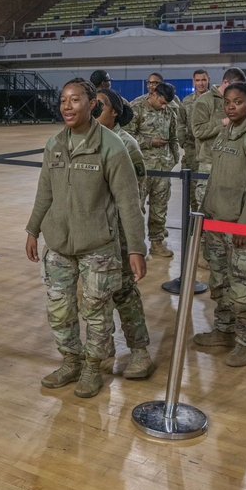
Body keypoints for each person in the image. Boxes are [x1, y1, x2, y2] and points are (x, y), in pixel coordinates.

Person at [26, 78, 147, 398]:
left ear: (92, 104)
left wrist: (136, 247)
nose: (67, 106)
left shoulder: (112, 145)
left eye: (75, 100)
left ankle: (93, 367)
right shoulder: (54, 143)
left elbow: (129, 201)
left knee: (96, 311)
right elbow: (45, 191)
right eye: (63, 100)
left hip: (98, 245)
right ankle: (70, 361)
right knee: (59, 309)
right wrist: (32, 229)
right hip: (59, 243)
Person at [193, 82, 246, 367]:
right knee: (220, 282)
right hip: (216, 223)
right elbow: (215, 177)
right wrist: (205, 213)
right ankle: (224, 331)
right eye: (228, 102)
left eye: (238, 102)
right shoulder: (225, 132)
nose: (231, 106)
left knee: (244, 290)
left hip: (240, 227)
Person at [94, 87, 156, 379]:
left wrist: (133, 242)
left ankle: (140, 351)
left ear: (115, 111)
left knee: (124, 291)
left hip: (117, 230)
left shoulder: (125, 143)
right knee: (94, 293)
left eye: (101, 106)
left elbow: (135, 196)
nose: (94, 110)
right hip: (91, 231)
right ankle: (101, 348)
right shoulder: (85, 138)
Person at [126, 81, 179, 257]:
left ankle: (157, 243)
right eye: (161, 102)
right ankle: (136, 246)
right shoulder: (136, 107)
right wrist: (149, 142)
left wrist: (174, 158)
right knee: (137, 208)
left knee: (160, 208)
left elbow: (173, 136)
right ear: (154, 95)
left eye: (166, 104)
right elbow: (127, 138)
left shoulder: (170, 109)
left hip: (163, 168)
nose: (164, 106)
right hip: (142, 169)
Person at [191, 67, 246, 214]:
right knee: (205, 206)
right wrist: (222, 122)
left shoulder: (237, 101)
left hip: (233, 163)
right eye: (235, 87)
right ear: (225, 82)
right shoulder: (205, 101)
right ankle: (201, 237)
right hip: (209, 162)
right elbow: (198, 130)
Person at [179, 69, 209, 211]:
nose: (201, 83)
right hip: (192, 149)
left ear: (208, 80)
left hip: (208, 149)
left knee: (208, 189)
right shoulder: (187, 101)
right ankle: (193, 225)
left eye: (203, 80)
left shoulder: (214, 99)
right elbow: (181, 123)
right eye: (198, 80)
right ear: (193, 81)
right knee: (191, 190)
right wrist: (183, 142)